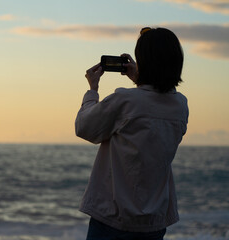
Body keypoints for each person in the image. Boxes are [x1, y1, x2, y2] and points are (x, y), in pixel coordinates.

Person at [75, 27, 189, 240]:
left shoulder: (125, 101)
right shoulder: (180, 105)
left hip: (114, 217)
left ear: (144, 61)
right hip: (153, 221)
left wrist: (92, 90)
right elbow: (152, 105)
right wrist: (141, 81)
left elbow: (85, 127)